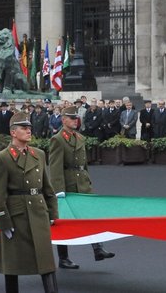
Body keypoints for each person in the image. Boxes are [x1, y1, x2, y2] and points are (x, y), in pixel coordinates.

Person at [0, 112, 59, 293]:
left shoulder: (39, 154)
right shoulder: (2, 158)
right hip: (17, 216)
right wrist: (3, 221)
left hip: (38, 212)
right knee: (12, 264)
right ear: (13, 133)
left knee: (47, 263)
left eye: (29, 128)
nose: (29, 131)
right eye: (24, 128)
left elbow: (47, 187)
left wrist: (52, 213)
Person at [49, 107, 115, 269]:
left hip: (82, 183)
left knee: (89, 216)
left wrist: (88, 181)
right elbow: (55, 167)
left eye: (76, 118)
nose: (75, 120)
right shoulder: (58, 139)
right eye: (71, 118)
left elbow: (83, 165)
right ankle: (63, 258)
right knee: (64, 221)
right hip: (69, 185)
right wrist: (58, 190)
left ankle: (97, 248)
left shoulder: (79, 137)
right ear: (63, 120)